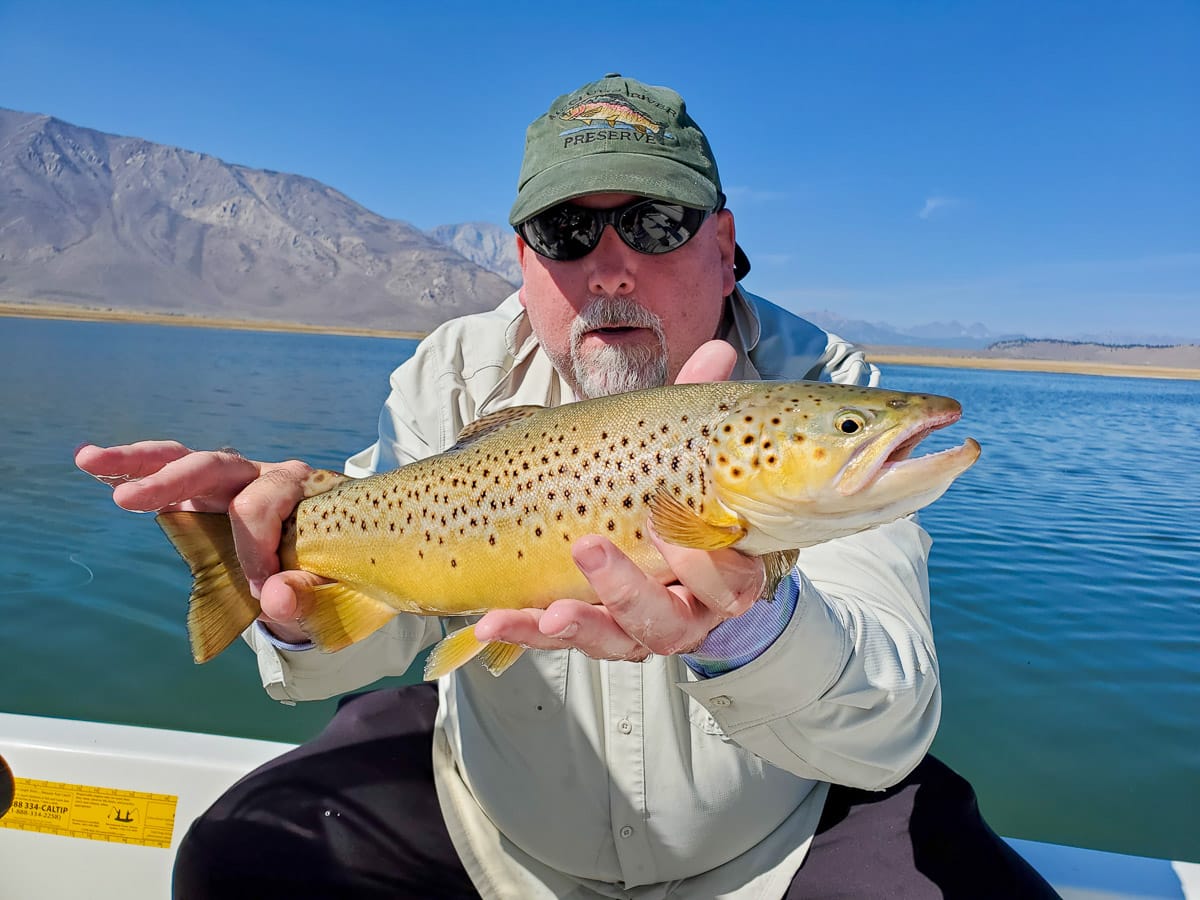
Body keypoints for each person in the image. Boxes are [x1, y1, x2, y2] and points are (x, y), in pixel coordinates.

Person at [77, 74, 1058, 899]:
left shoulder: (819, 389)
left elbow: (888, 726)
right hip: (492, 825)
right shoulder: (450, 373)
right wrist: (280, 598)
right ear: (521, 257)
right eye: (565, 232)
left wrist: (754, 630)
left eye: (655, 221)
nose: (611, 269)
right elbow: (373, 638)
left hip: (766, 842)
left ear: (724, 244)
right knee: (234, 859)